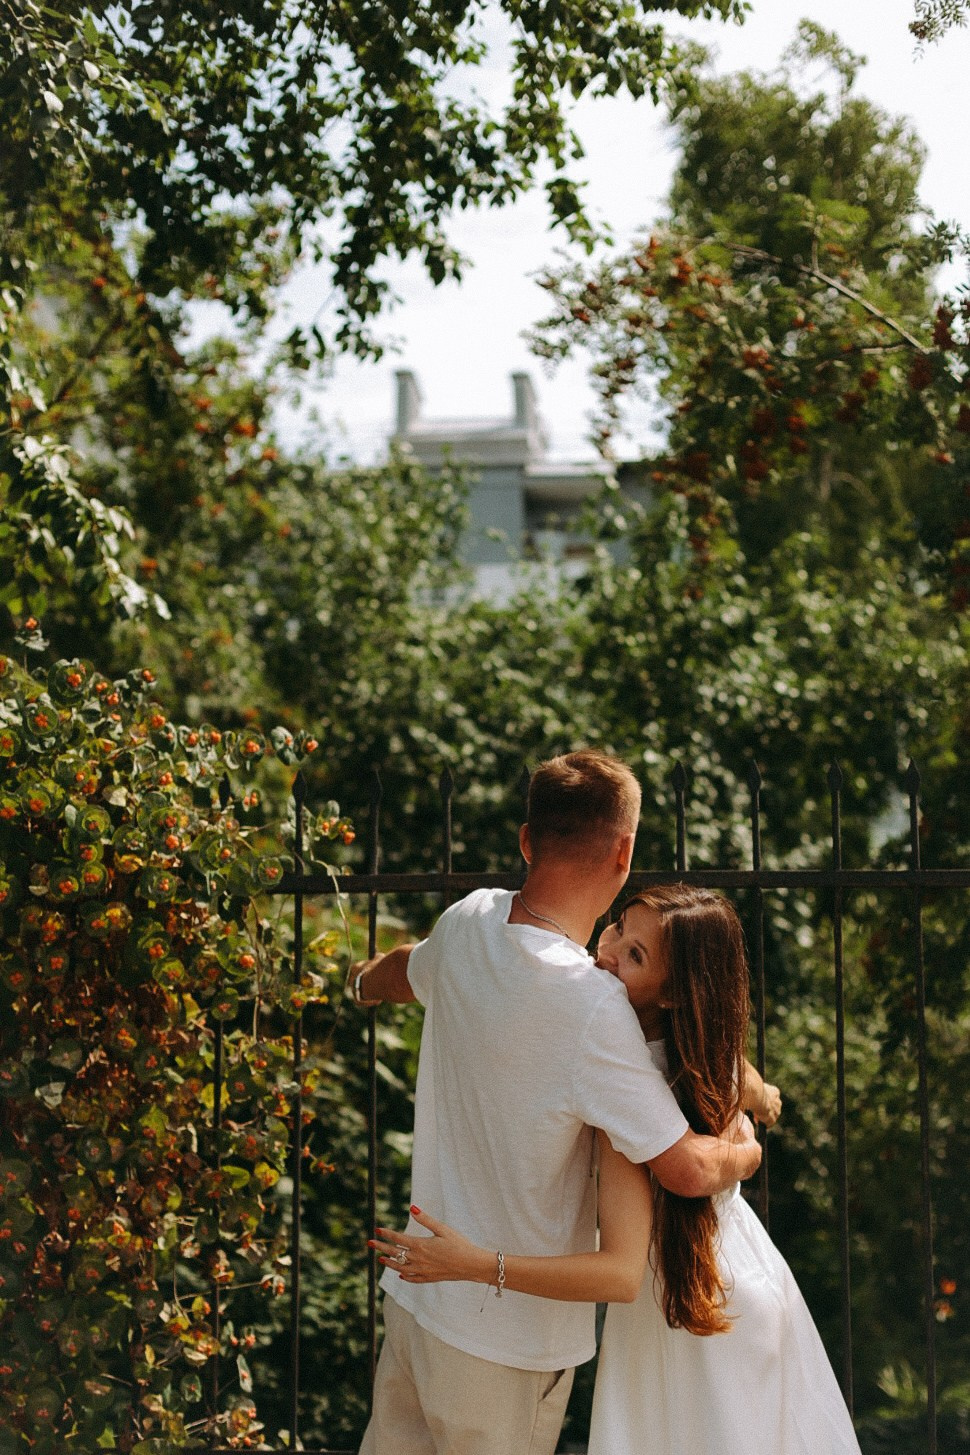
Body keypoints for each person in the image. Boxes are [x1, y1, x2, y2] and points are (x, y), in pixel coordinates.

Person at [348, 754, 762, 1455]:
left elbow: (397, 971)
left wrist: (356, 982)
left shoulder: (467, 920)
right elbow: (687, 1169)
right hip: (504, 1346)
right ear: (623, 851)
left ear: (526, 840)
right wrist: (747, 1144)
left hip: (418, 1309)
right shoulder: (594, 1005)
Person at [371, 886, 862, 1455]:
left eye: (635, 956)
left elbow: (679, 1178)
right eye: (616, 929)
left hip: (699, 1290)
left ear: (676, 994)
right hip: (722, 1275)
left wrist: (750, 1127)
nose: (605, 953)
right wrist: (754, 1127)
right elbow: (730, 1090)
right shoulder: (682, 1045)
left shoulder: (620, 1077)